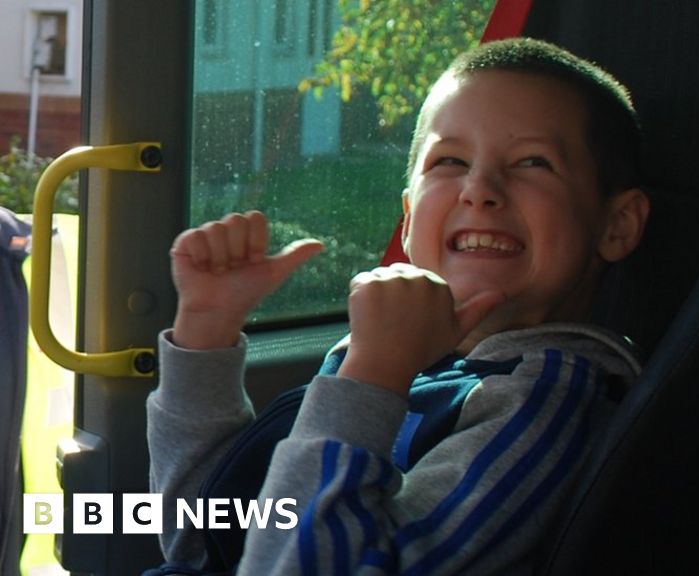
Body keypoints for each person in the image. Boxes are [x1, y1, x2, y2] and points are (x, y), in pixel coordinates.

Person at [148, 37, 650, 574]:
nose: (479, 189)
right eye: (450, 160)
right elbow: (204, 538)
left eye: (533, 162)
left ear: (616, 225)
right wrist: (207, 330)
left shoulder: (540, 403)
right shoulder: (394, 351)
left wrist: (373, 375)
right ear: (408, 220)